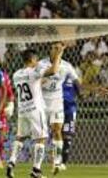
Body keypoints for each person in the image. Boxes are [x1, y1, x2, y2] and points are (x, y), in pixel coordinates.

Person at [6, 47, 64, 178]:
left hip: (22, 110)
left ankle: (11, 163)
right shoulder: (34, 72)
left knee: (20, 137)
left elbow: (32, 84)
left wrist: (41, 81)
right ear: (32, 59)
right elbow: (54, 70)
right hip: (35, 110)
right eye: (36, 59)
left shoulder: (16, 74)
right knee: (41, 138)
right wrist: (58, 54)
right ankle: (36, 171)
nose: (37, 62)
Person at [38, 42, 79, 175]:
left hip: (57, 104)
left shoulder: (67, 66)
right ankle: (37, 167)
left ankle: (57, 162)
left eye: (60, 48)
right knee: (41, 136)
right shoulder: (42, 64)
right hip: (42, 104)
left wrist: (83, 90)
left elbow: (77, 81)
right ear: (50, 49)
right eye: (55, 48)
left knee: (57, 131)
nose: (57, 50)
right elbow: (39, 78)